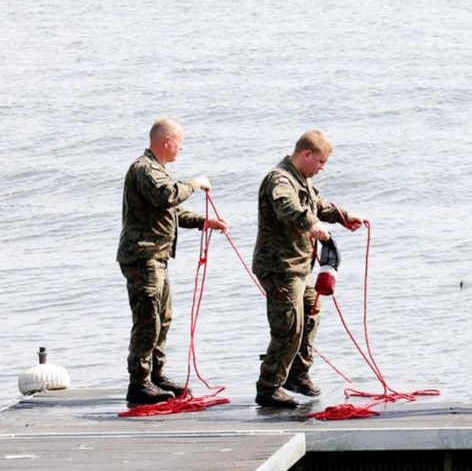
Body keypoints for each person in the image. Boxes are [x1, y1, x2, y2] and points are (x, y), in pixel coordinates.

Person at [118, 118, 228, 406]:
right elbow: (168, 195)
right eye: (180, 142)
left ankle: (155, 375)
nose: (181, 148)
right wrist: (195, 182)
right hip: (142, 257)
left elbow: (173, 212)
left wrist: (207, 222)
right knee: (148, 320)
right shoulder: (145, 169)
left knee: (163, 318)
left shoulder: (159, 171)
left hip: (156, 258)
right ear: (167, 141)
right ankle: (139, 384)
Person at [253, 130, 363, 409]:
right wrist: (311, 225)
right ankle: (268, 387)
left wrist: (342, 216)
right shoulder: (279, 179)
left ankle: (297, 375)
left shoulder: (301, 179)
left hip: (301, 266)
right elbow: (287, 207)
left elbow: (316, 204)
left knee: (311, 318)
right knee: (289, 326)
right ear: (307, 155)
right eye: (321, 162)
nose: (322, 168)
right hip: (279, 267)